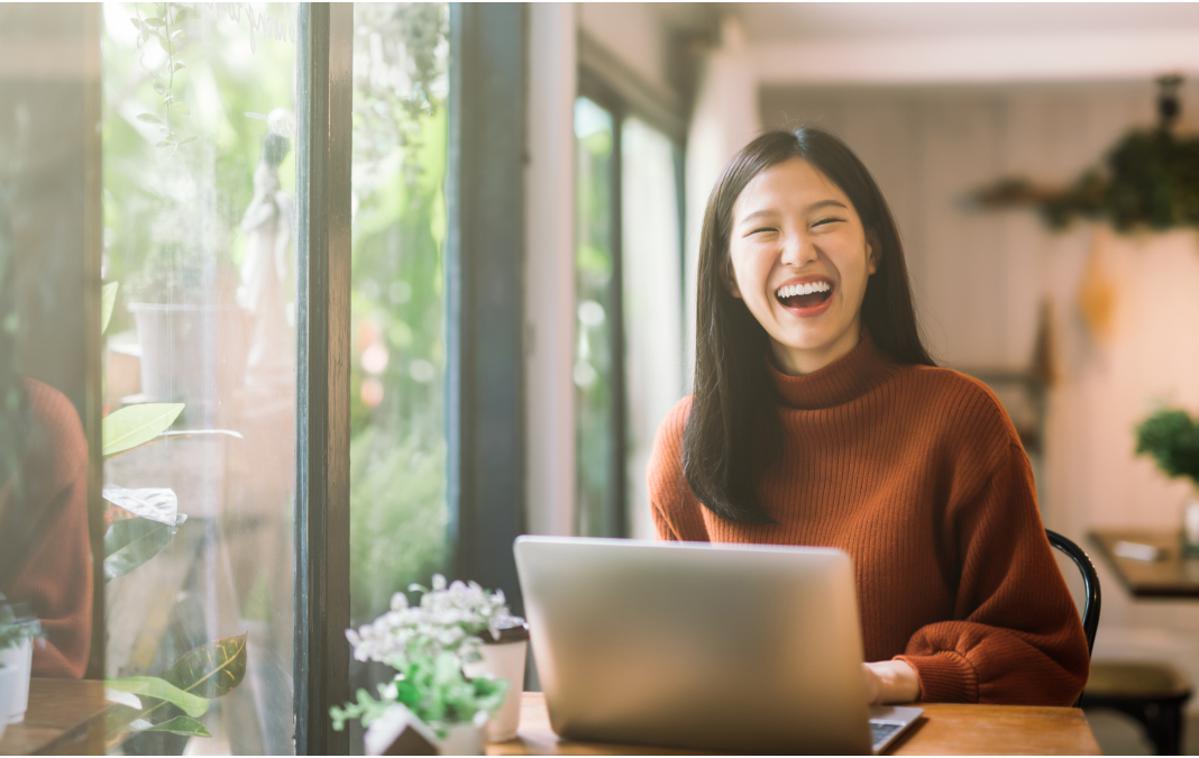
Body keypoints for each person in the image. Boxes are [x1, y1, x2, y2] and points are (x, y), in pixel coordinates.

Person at [648, 127, 1088, 707]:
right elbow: (679, 645)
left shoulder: (959, 418)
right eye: (763, 230)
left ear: (873, 251)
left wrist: (893, 679)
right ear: (729, 274)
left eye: (825, 221)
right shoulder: (690, 438)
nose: (798, 251)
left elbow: (1047, 658)